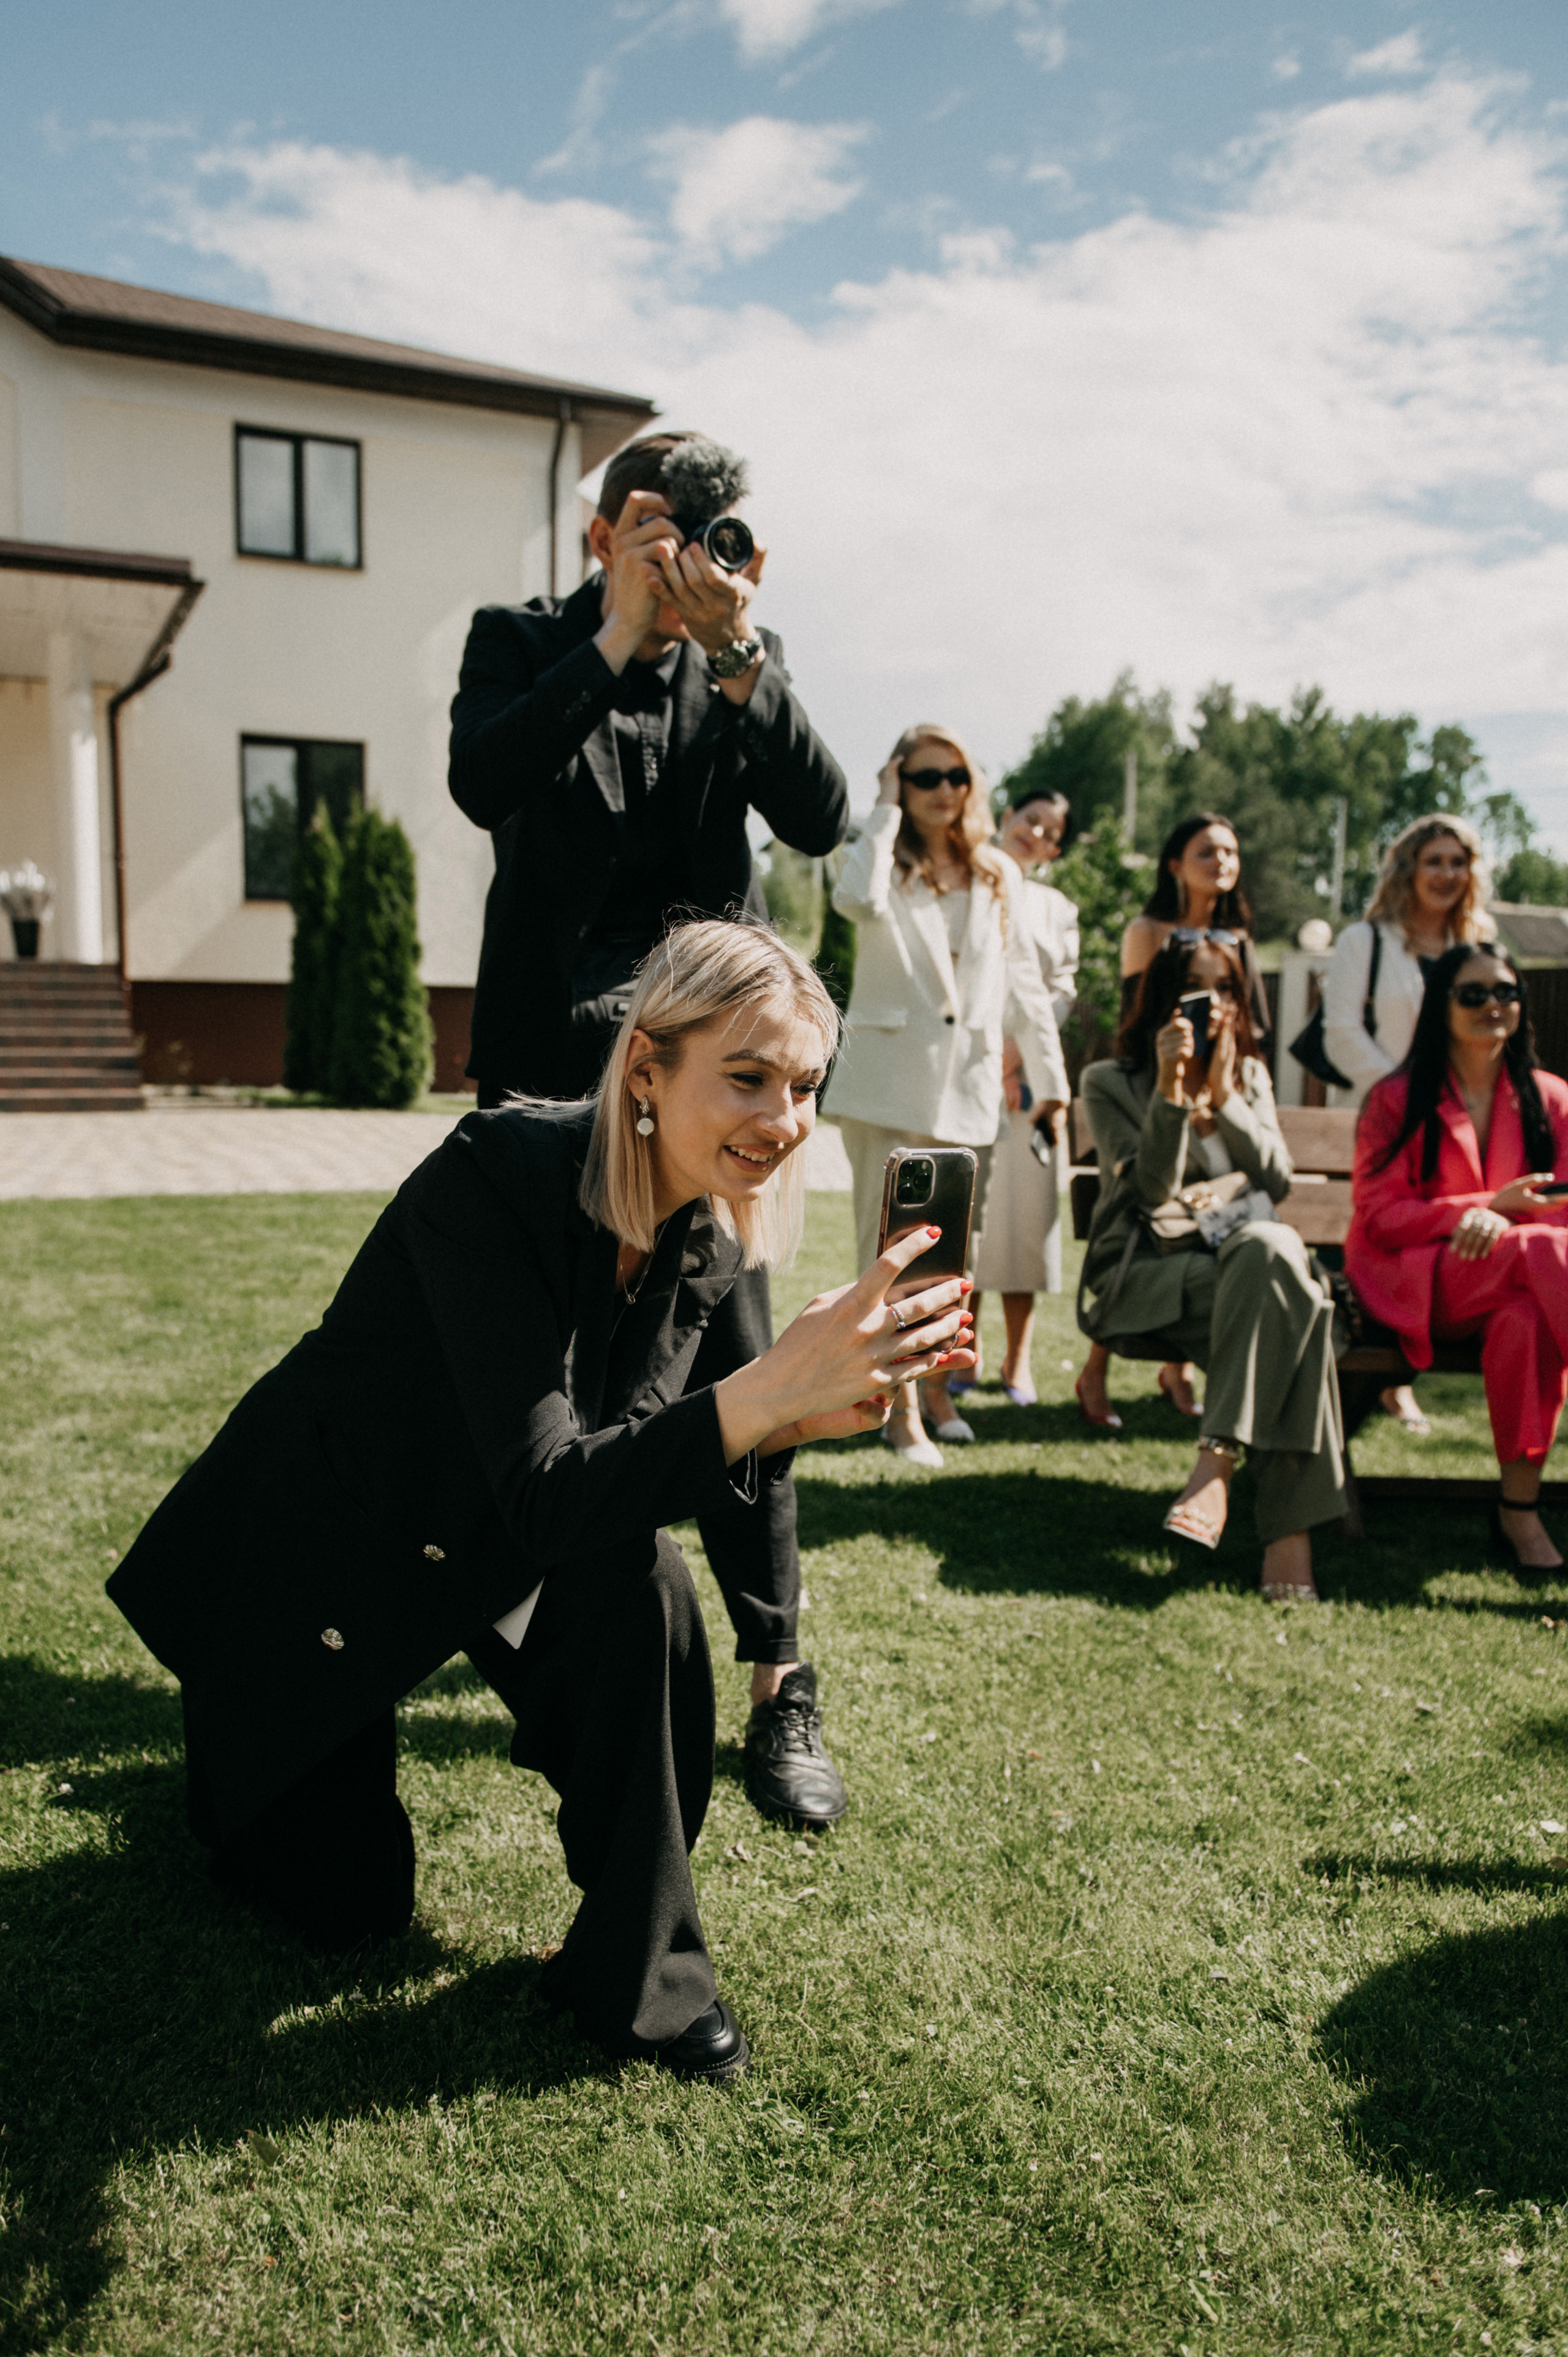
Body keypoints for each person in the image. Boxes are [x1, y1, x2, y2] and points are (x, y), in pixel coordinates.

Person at [105, 922, 977, 2083]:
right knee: (341, 1903)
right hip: (333, 1543)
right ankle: (238, 1741)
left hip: (497, 1543)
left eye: (807, 1085)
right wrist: (766, 1392)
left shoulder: (715, 1234)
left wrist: (783, 1572)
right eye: (751, 1075)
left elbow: (726, 1471)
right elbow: (550, 1487)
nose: (787, 1117)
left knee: (644, 1585)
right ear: (647, 1068)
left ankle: (642, 1973)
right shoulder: (494, 1174)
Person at [448, 429, 851, 1831]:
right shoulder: (520, 640)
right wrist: (615, 637)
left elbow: (820, 813)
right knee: (534, 1376)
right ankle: (540, 1635)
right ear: (603, 527)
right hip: (551, 1071)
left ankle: (774, 1675)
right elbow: (486, 782)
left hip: (705, 1083)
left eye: (714, 534)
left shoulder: (738, 661)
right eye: (663, 528)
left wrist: (740, 660)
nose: (689, 556)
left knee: (739, 1363)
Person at [821, 726, 1068, 1464]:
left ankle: (931, 1389)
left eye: (952, 773)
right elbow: (853, 900)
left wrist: (1050, 1084)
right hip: (888, 1084)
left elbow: (1023, 983)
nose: (940, 788)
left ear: (971, 781)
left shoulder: (998, 873)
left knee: (953, 1256)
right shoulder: (877, 853)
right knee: (887, 1249)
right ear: (900, 778)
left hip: (968, 1090)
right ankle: (897, 1412)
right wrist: (883, 807)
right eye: (922, 774)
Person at [1078, 935, 1346, 1601]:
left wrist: (1222, 1094)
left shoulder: (1248, 1077)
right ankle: (1290, 1537)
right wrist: (1171, 1093)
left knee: (1267, 1253)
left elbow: (1277, 1179)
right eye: (1195, 987)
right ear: (1165, 1000)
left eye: (1225, 988)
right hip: (1145, 1274)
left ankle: (1217, 1458)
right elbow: (1145, 1191)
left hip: (1241, 1274)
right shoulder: (1110, 1081)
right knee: (1294, 1305)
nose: (1214, 1004)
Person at [1346, 943, 1568, 1574]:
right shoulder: (1397, 1097)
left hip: (1524, 1286)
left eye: (1505, 991)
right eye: (1473, 993)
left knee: (1524, 1322)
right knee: (1538, 1246)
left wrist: (1500, 1218)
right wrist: (1481, 1206)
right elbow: (1379, 1218)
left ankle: (1517, 1513)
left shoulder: (1551, 1099)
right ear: (1441, 1005)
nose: (1492, 1004)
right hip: (1416, 1282)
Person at [1076, 811, 1271, 1431]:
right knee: (1153, 1203)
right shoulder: (1149, 929)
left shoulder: (1238, 935)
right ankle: (1098, 1367)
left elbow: (1253, 1021)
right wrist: (1172, 1076)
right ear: (1175, 862)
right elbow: (1144, 1006)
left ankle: (1183, 1372)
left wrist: (1233, 1083)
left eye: (1230, 852)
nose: (1222, 862)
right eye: (1207, 850)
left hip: (1221, 1086)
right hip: (1158, 1067)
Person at [1321, 814, 1494, 1436]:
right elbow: (1340, 1033)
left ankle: (1399, 1382)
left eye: (1458, 862)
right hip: (1384, 1122)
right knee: (1389, 1238)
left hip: (1459, 1130)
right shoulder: (1364, 942)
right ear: (1408, 870)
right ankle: (1373, 1381)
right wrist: (1408, 1099)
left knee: (1445, 1237)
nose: (1447, 874)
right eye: (1434, 861)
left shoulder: (1478, 947)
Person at [965, 788, 1079, 1403]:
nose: (1033, 832)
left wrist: (1018, 1054)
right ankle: (965, 1348)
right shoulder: (972, 880)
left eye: (1048, 829)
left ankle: (1018, 1360)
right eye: (1028, 818)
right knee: (973, 1215)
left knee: (1025, 1221)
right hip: (971, 1070)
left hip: (1031, 1079)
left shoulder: (1057, 907)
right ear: (1007, 817)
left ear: (1055, 846)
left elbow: (1056, 989)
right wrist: (993, 1050)